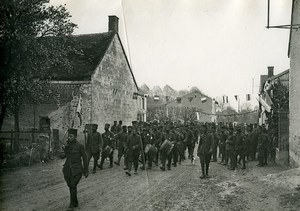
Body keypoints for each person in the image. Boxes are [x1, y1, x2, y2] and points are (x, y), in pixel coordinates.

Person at [62, 129, 88, 211]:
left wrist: (86, 170)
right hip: (67, 169)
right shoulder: (68, 145)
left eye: (71, 136)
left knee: (73, 185)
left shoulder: (80, 146)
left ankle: (72, 205)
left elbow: (85, 158)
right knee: (71, 186)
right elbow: (63, 156)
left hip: (77, 170)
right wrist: (64, 149)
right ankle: (75, 202)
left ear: (75, 137)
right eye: (68, 136)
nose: (69, 138)